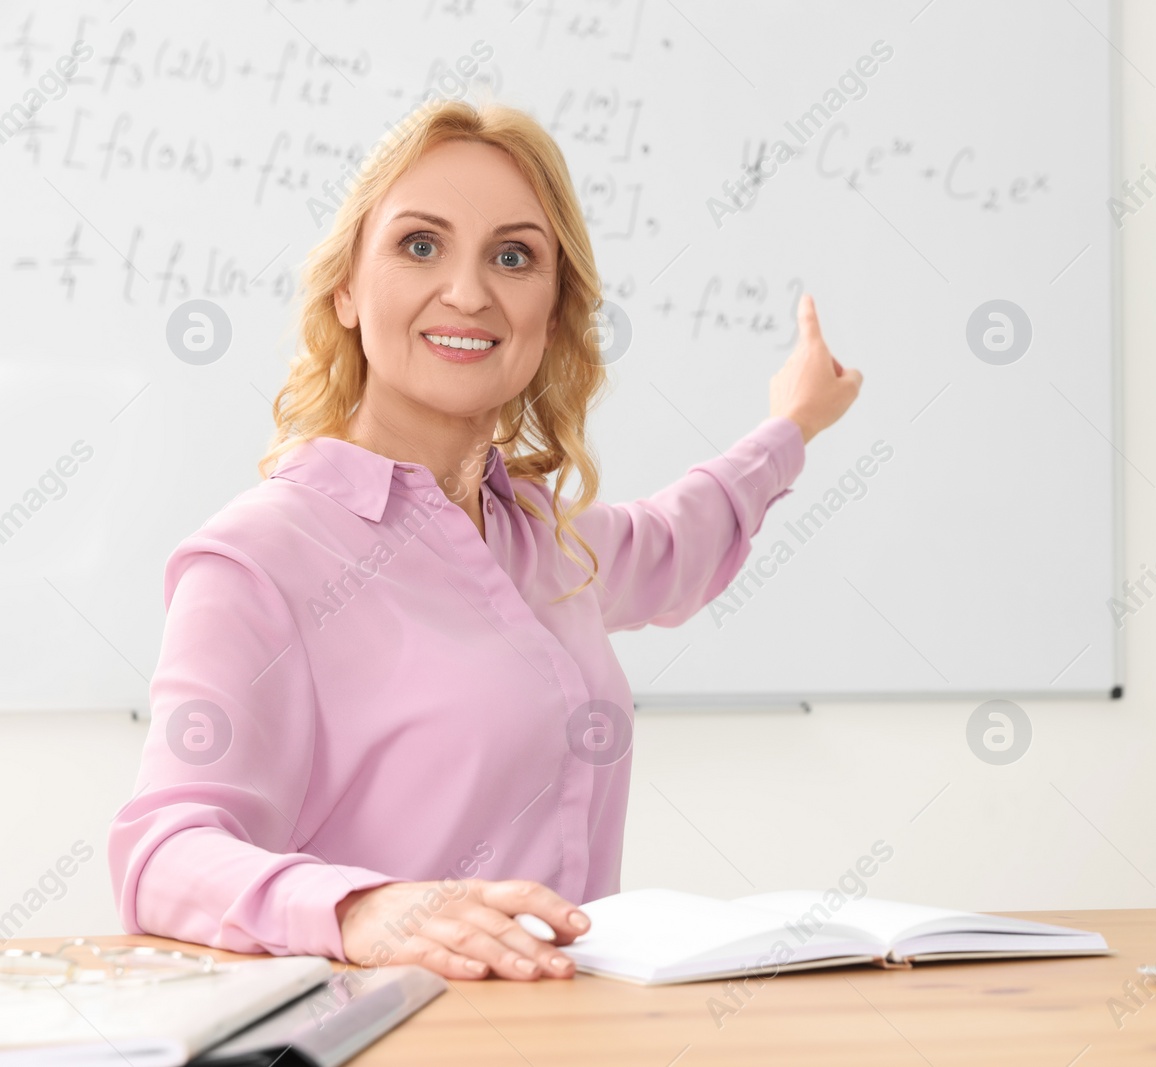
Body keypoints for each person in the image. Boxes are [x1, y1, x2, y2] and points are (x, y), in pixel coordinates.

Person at [106, 98, 862, 982]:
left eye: (513, 256)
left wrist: (793, 426)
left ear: (552, 311)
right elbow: (162, 853)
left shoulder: (538, 536)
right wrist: (361, 907)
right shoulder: (259, 559)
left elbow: (674, 543)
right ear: (347, 288)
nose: (468, 292)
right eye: (419, 244)